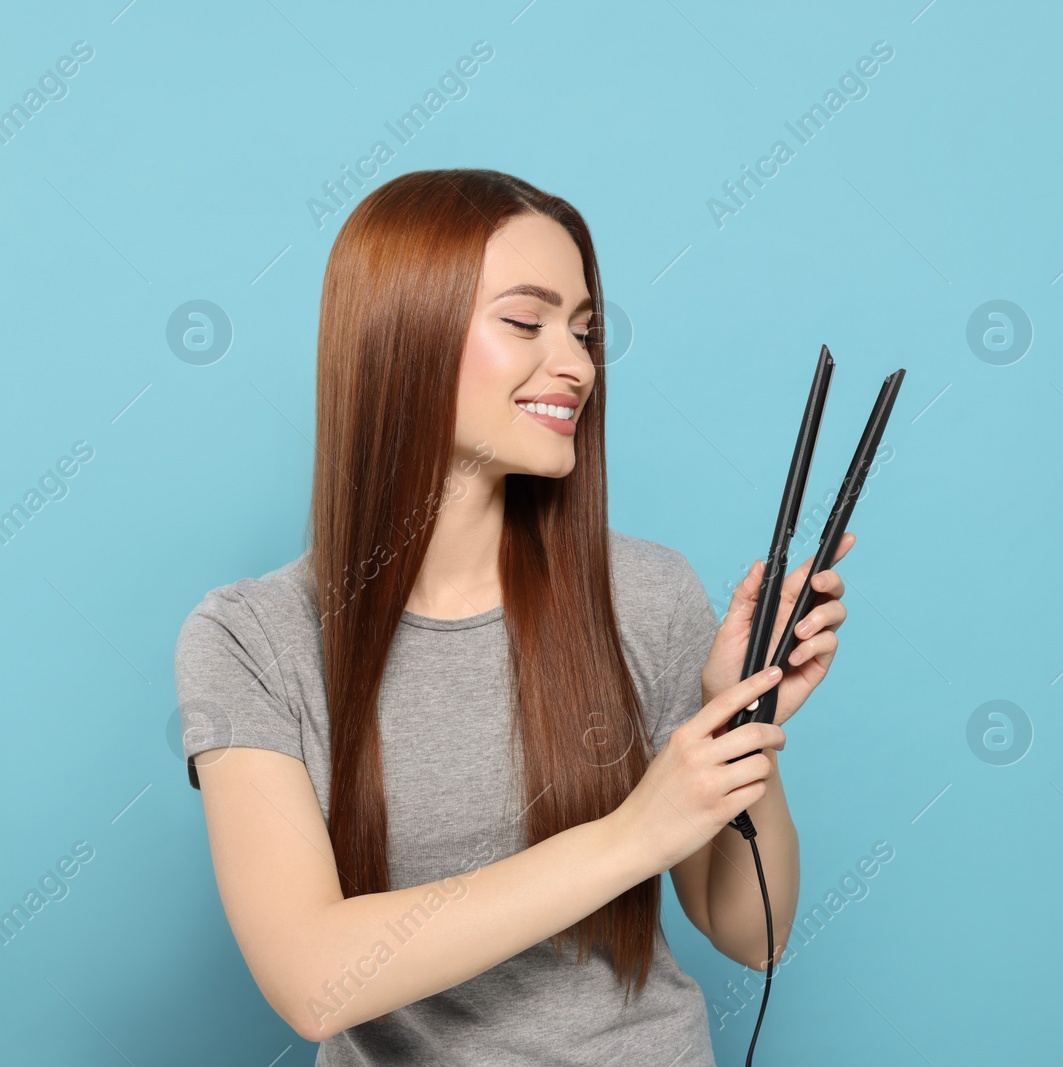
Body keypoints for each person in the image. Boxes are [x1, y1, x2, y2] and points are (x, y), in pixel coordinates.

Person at [173, 168, 854, 1064]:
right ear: (399, 333)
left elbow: (749, 932)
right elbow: (310, 977)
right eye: (527, 322)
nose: (576, 364)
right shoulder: (251, 638)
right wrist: (630, 835)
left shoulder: (646, 592)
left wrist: (742, 719)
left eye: (585, 329)